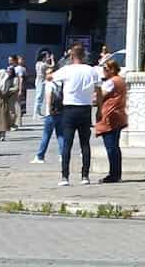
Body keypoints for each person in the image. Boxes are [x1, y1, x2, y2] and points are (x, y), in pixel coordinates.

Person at [52, 44, 100, 186]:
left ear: (71, 56)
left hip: (69, 109)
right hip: (85, 109)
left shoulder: (66, 70)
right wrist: (100, 108)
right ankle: (85, 176)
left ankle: (65, 177)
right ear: (84, 55)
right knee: (85, 144)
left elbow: (50, 78)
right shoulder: (91, 70)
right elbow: (99, 90)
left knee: (67, 144)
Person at [94, 56, 127, 183]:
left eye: (106, 68)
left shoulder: (111, 82)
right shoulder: (121, 80)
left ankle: (113, 174)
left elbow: (99, 96)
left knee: (111, 147)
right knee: (115, 147)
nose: (104, 70)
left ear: (112, 69)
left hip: (110, 116)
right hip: (118, 115)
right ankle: (116, 172)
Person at [31, 62, 63, 164]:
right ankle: (62, 155)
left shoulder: (49, 84)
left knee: (46, 135)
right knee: (61, 135)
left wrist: (48, 111)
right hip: (61, 111)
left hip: (51, 113)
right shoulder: (60, 83)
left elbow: (49, 97)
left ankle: (40, 156)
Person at [0, 62, 18, 140]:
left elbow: (5, 91)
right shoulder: (0, 81)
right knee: (0, 118)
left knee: (0, 119)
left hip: (0, 101)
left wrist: (0, 92)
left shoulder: (4, 82)